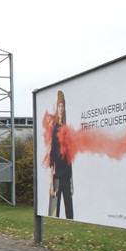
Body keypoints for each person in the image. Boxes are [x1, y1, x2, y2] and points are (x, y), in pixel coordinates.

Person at [49, 90, 74, 219]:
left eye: (63, 106)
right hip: (57, 178)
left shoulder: (67, 129)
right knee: (54, 212)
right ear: (57, 108)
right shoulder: (55, 129)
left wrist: (71, 182)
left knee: (69, 212)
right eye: (59, 106)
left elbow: (69, 157)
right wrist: (51, 184)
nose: (61, 109)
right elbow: (52, 155)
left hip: (66, 177)